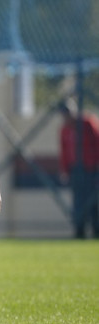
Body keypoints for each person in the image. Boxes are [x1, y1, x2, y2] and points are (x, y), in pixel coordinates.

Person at [58, 97, 99, 238]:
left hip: (92, 169)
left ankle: (96, 230)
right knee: (78, 201)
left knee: (93, 201)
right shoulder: (65, 129)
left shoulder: (88, 123)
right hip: (76, 171)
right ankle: (79, 231)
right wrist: (64, 171)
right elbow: (64, 151)